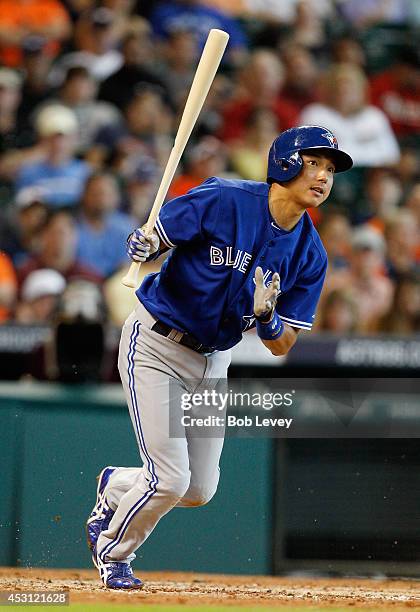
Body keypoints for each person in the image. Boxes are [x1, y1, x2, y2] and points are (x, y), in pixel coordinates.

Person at [86, 125, 353, 589]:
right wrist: (146, 245)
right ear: (286, 162)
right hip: (156, 344)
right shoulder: (224, 197)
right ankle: (113, 553)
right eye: (314, 163)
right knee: (169, 480)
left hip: (214, 360)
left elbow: (283, 343)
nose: (324, 177)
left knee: (196, 490)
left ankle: (114, 487)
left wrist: (267, 316)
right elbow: (157, 238)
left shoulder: (310, 253)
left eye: (330, 169)